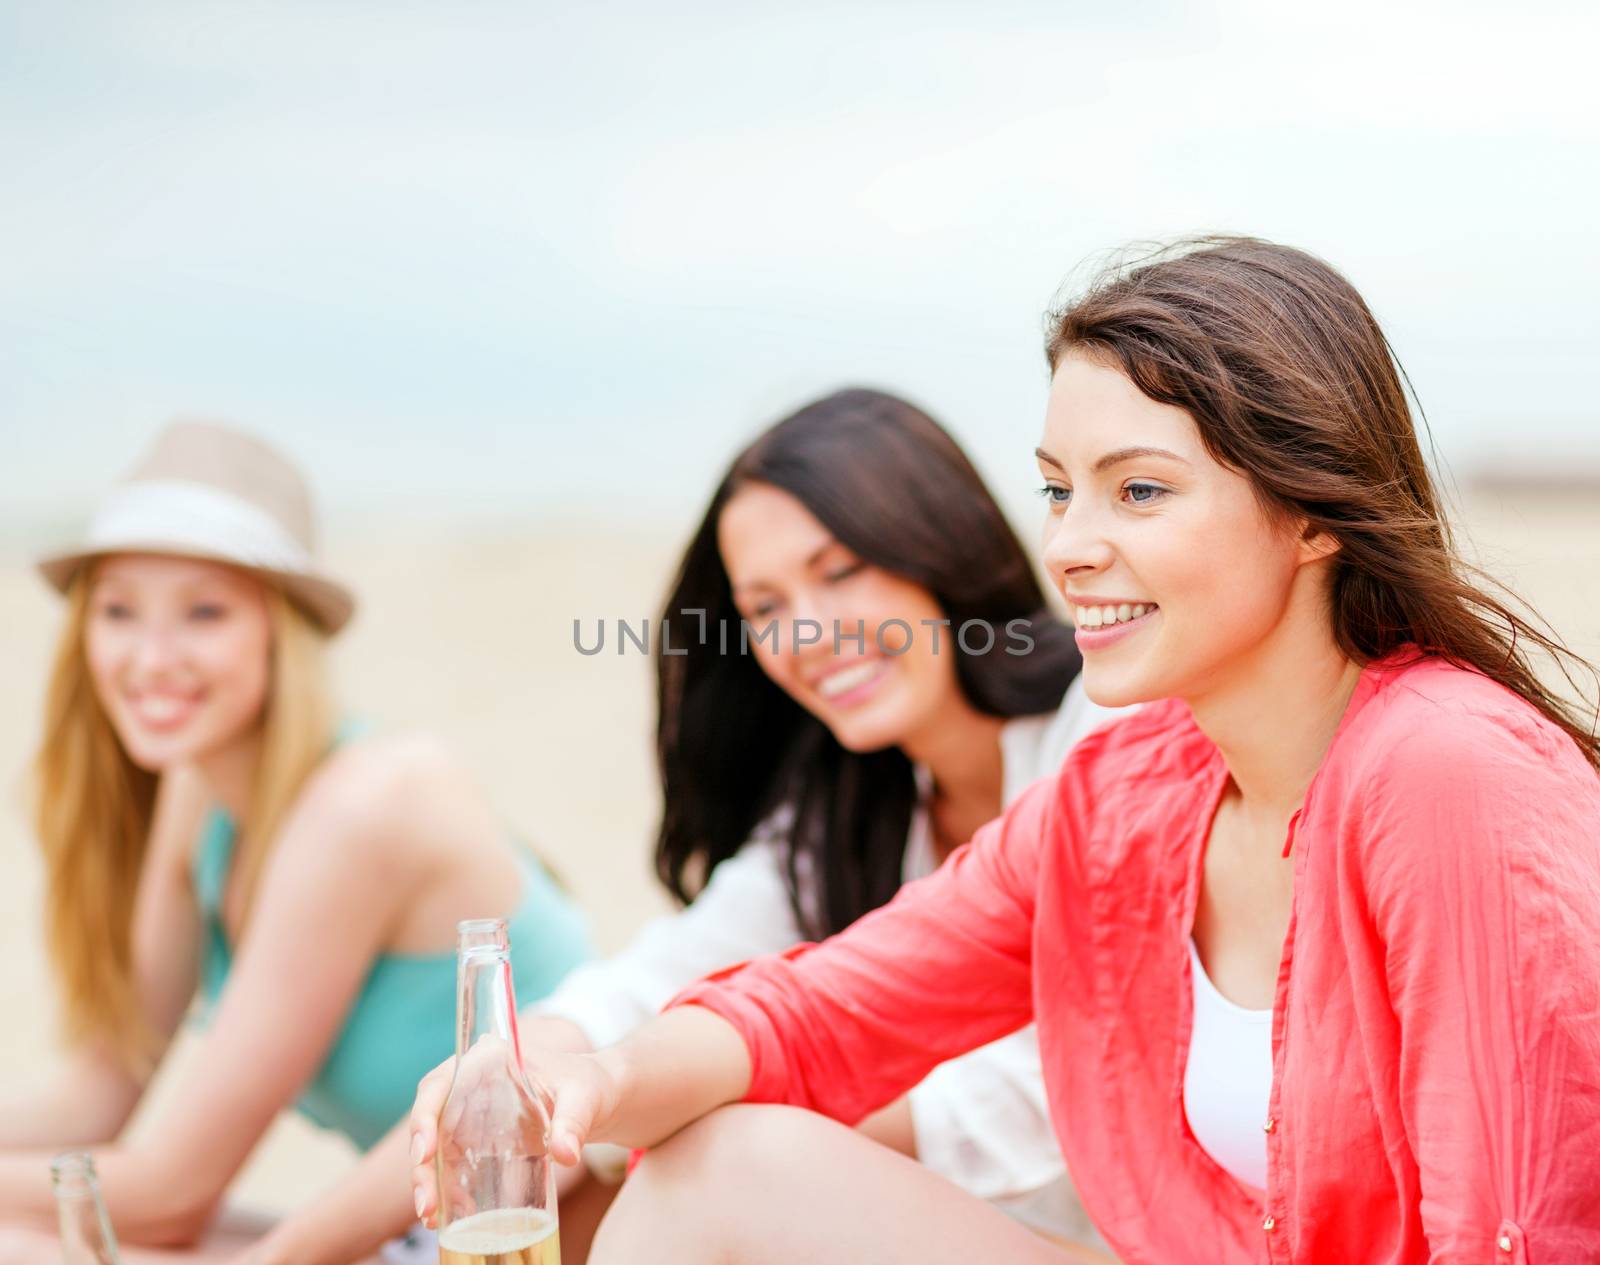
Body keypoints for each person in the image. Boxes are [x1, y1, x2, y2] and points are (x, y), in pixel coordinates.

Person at [410, 239, 1600, 1264]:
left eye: (1137, 490)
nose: (1072, 545)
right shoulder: (1124, 794)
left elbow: (1520, 1223)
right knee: (715, 1162)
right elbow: (819, 1014)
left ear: (1309, 516)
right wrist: (592, 1085)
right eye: (1056, 491)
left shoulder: (1447, 769)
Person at [277, 388, 1124, 1265]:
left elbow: (1048, 1091)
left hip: (1119, 1238)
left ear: (938, 548)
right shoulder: (848, 807)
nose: (809, 633)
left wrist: (693, 1097)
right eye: (764, 607)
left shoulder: (1108, 738)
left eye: (837, 573)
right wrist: (531, 1068)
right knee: (589, 1134)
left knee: (682, 1148)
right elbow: (655, 981)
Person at [0, 421, 593, 1264]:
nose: (150, 656)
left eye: (204, 611)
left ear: (282, 630)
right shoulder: (198, 782)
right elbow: (95, 1097)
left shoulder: (363, 806)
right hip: (410, 1230)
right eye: (118, 609)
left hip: (536, 1236)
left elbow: (171, 1193)